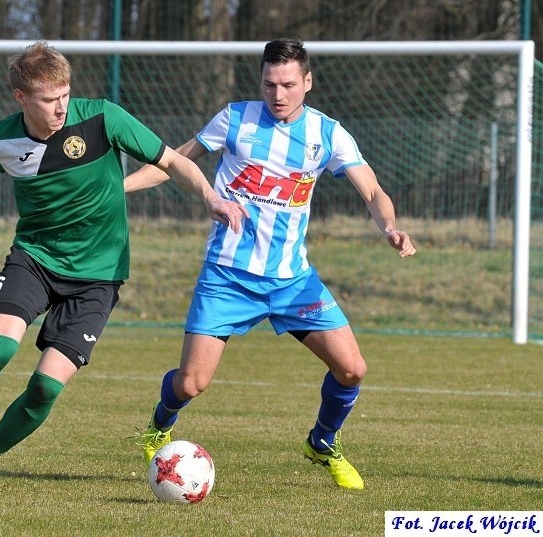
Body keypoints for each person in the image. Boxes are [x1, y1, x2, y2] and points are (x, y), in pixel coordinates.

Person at [0, 41, 247, 492]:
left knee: (45, 387)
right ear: (21, 98)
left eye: (65, 95)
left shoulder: (103, 118)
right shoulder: (5, 137)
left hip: (98, 276)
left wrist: (210, 196)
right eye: (50, 99)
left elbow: (170, 160)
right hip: (35, 257)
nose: (60, 107)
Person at [126, 38, 416, 490]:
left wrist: (389, 229)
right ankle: (159, 425)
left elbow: (373, 191)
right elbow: (173, 162)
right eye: (268, 84)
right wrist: (118, 188)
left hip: (292, 281)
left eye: (287, 85)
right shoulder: (235, 119)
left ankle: (322, 442)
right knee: (190, 384)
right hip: (227, 276)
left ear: (308, 82)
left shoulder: (328, 134)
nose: (277, 95)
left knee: (352, 368)